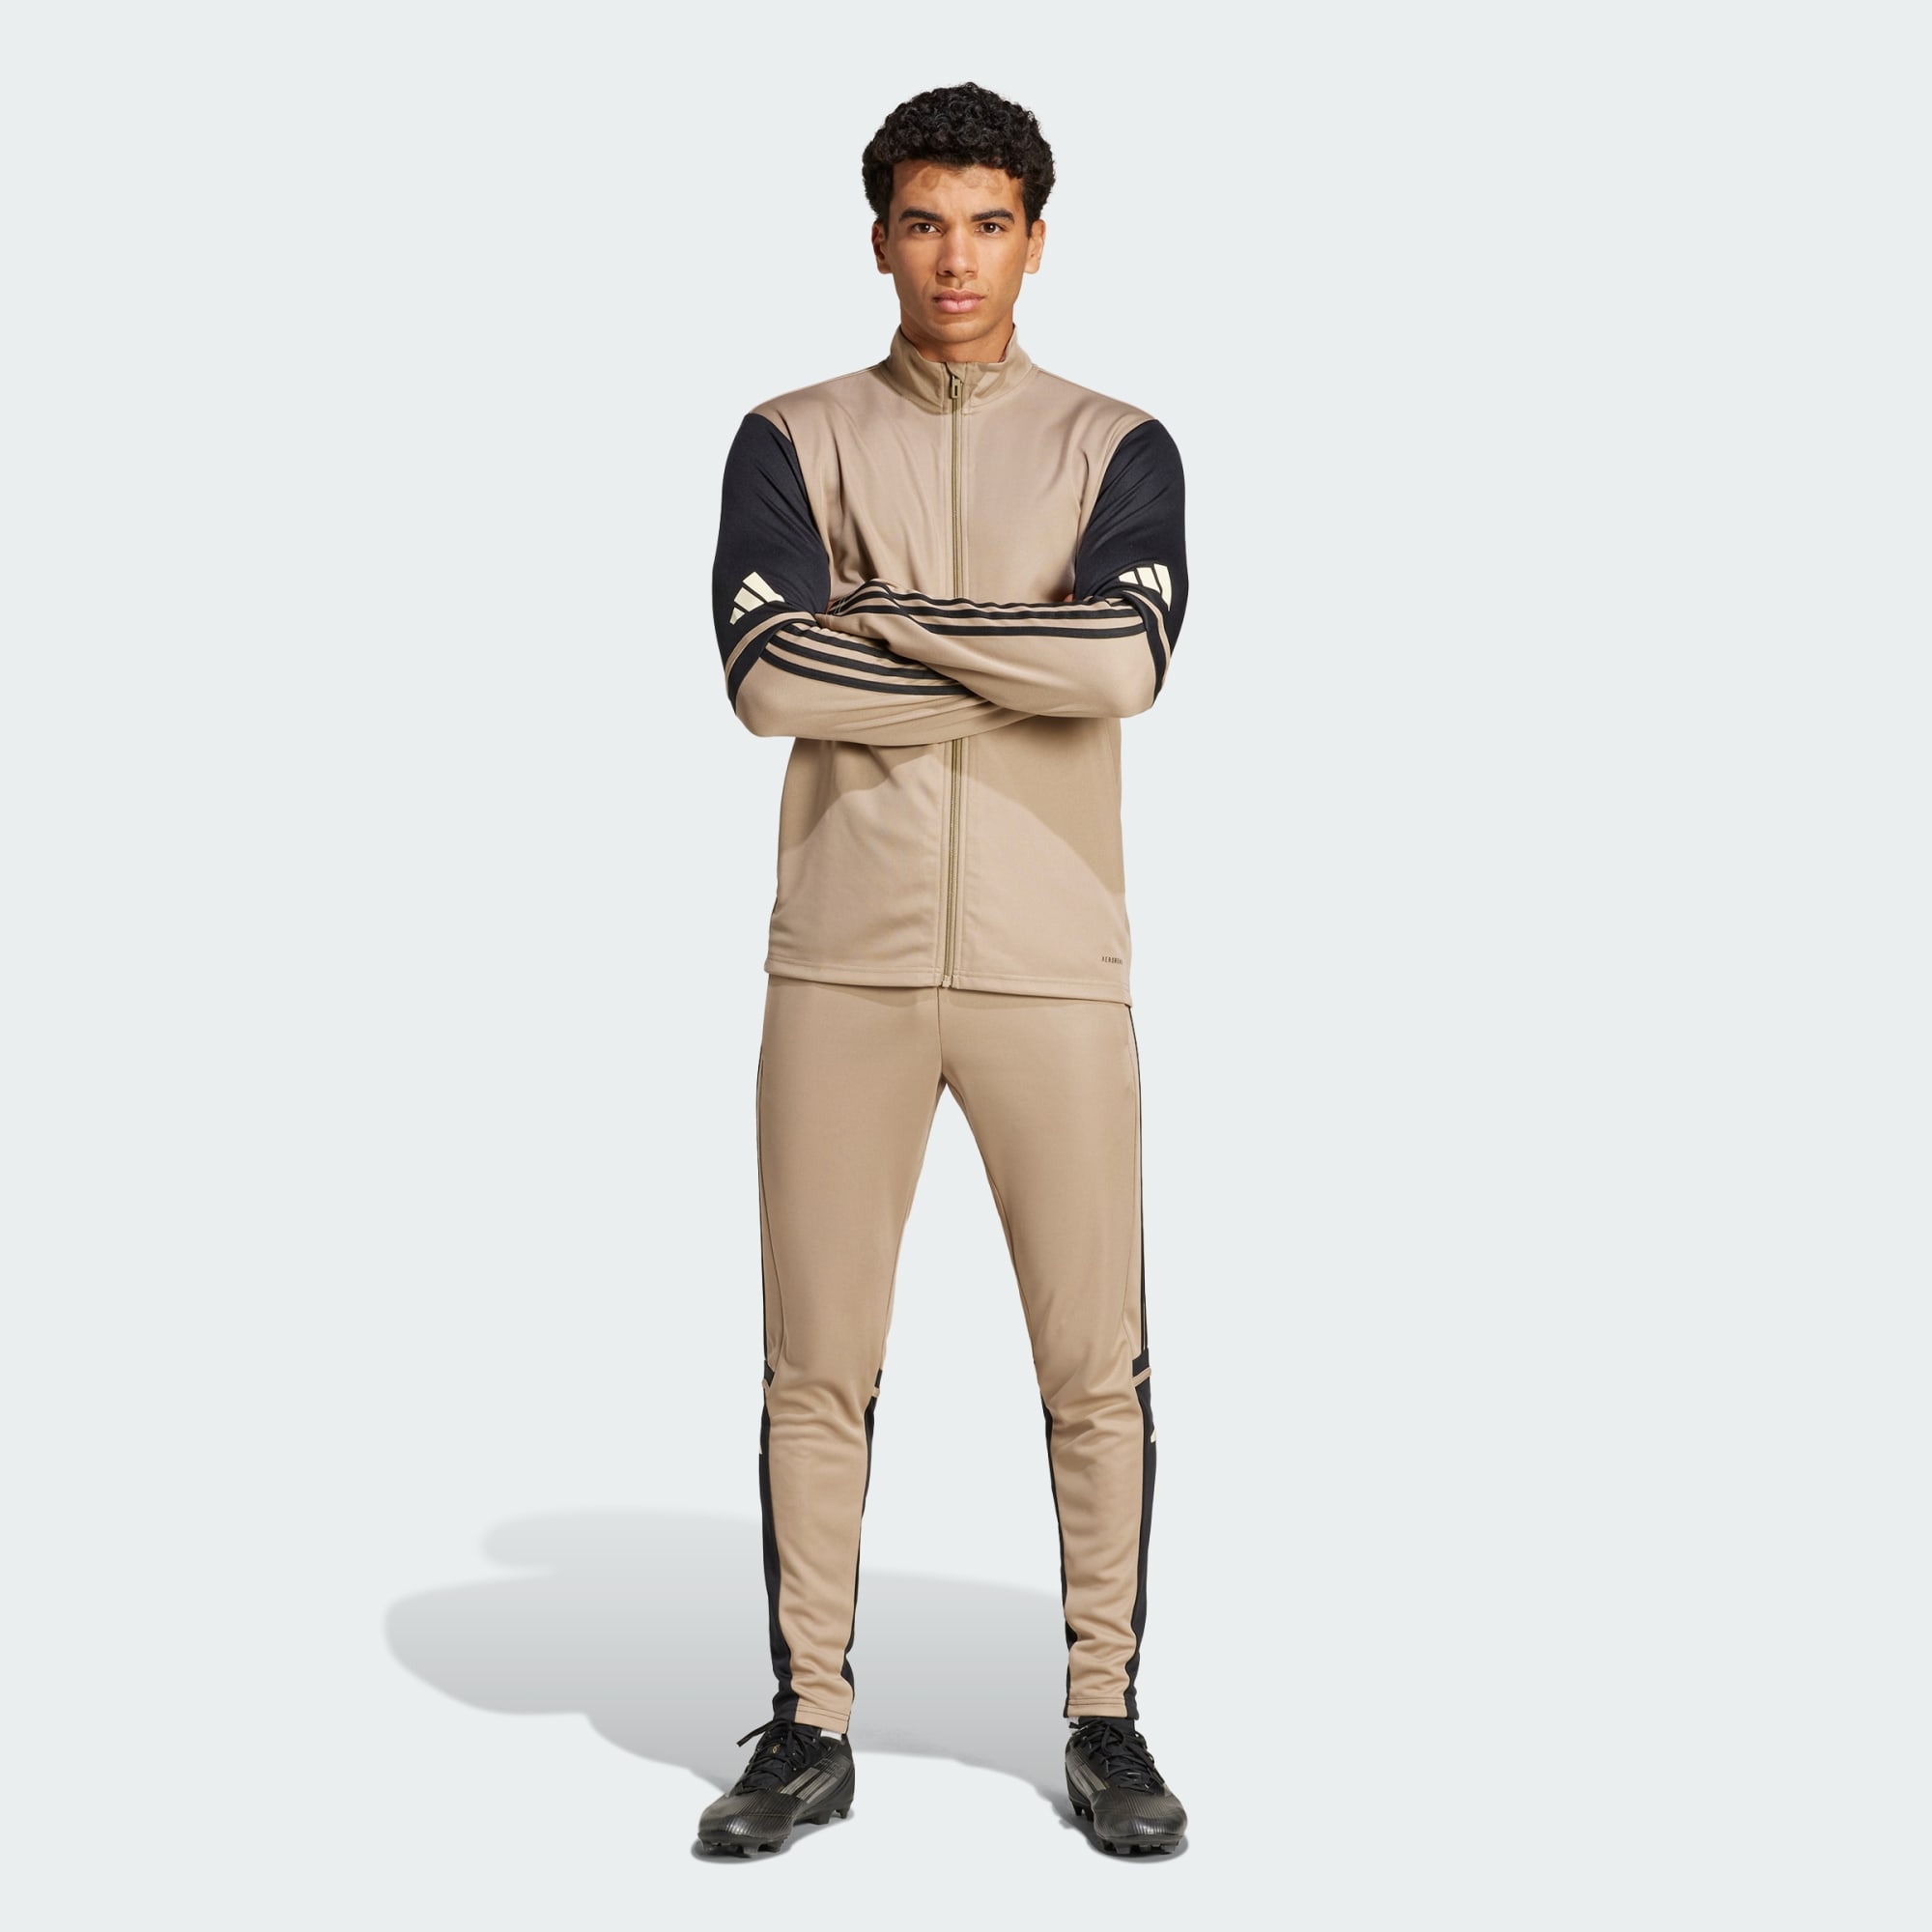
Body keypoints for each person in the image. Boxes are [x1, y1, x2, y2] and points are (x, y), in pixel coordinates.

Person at [696, 80, 1190, 1859]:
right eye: (923, 223)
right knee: (815, 1362)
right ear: (880, 238)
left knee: (1094, 1365)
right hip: (843, 961)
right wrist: (1015, 656)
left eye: (988, 224)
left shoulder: (1120, 445)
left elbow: (1125, 662)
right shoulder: (790, 435)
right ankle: (809, 1724)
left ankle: (1104, 1716)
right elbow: (768, 680)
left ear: (1035, 240)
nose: (954, 259)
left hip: (1055, 967)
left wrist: (878, 618)